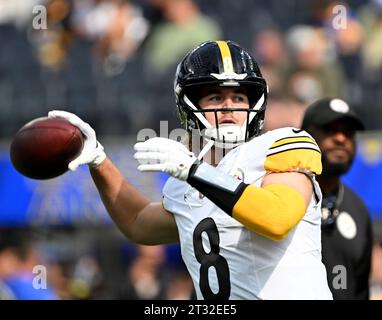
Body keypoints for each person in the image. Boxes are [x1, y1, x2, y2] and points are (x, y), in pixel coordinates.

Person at [48, 40, 332, 299]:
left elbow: (277, 218)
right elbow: (137, 222)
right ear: (190, 105)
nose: (229, 107)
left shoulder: (283, 144)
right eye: (216, 98)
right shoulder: (183, 185)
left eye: (239, 97)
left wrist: (194, 171)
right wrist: (99, 160)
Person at [301, 98, 373, 300]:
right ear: (306, 135)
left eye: (349, 133)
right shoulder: (281, 193)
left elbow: (360, 291)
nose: (341, 139)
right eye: (330, 130)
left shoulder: (358, 209)